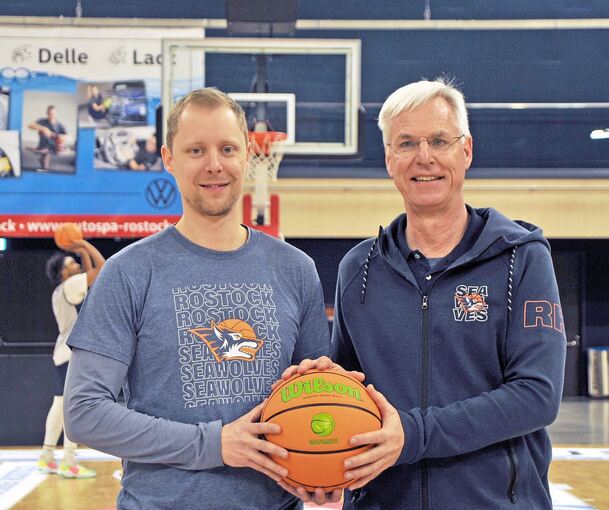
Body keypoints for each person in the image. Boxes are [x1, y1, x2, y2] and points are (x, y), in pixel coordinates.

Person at [282, 78, 566, 509]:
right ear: (389, 159)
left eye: (439, 140)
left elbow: (537, 396)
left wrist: (411, 435)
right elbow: (349, 395)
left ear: (466, 151)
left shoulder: (520, 258)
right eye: (407, 143)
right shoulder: (358, 270)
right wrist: (322, 462)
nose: (424, 157)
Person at [64, 88, 331, 509]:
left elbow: (315, 400)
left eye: (227, 148)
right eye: (195, 150)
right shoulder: (129, 272)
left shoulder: (295, 269)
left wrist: (323, 467)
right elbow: (84, 412)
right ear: (169, 159)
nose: (214, 165)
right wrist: (214, 444)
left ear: (248, 154)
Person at [38, 239, 105, 478]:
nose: (76, 264)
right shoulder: (69, 286)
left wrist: (80, 252)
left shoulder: (64, 289)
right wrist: (85, 245)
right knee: (72, 408)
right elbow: (101, 267)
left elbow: (89, 273)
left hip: (63, 353)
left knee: (60, 406)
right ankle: (68, 460)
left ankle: (47, 456)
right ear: (62, 272)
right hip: (72, 354)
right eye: (71, 263)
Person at [28, 105, 67, 169]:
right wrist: (43, 128)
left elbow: (69, 136)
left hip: (55, 148)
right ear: (47, 114)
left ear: (57, 114)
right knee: (46, 154)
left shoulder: (60, 125)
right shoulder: (42, 121)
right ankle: (44, 165)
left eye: (54, 114)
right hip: (44, 146)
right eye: (50, 114)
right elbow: (30, 125)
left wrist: (62, 137)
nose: (52, 115)